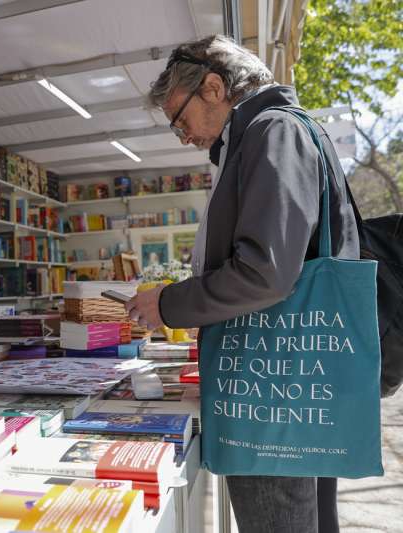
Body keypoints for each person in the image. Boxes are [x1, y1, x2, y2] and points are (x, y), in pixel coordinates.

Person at [126, 35, 358, 533]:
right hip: (290, 383)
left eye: (179, 119)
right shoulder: (269, 134)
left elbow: (264, 271)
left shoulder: (272, 131)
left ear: (213, 87)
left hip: (273, 389)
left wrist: (169, 304)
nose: (181, 135)